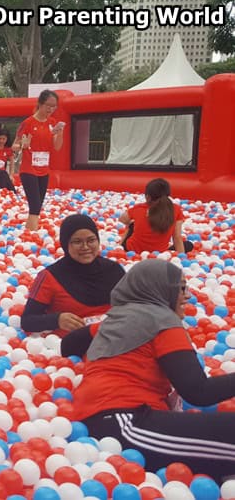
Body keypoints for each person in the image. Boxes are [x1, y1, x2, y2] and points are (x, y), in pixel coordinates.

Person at [64, 258, 235, 483]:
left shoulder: (117, 320)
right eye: (181, 288)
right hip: (125, 425)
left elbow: (69, 343)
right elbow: (197, 391)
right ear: (161, 289)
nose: (187, 296)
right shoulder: (162, 320)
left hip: (95, 426)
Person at [21, 214, 125, 337]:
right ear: (65, 244)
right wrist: (57, 320)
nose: (85, 247)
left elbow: (133, 306)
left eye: (91, 240)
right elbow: (27, 321)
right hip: (71, 343)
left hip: (115, 336)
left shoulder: (113, 270)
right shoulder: (50, 276)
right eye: (77, 242)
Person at [13, 90, 64, 231]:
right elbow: (14, 146)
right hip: (29, 169)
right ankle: (33, 236)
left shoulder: (52, 123)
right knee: (34, 204)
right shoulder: (28, 123)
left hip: (44, 169)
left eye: (54, 106)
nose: (51, 109)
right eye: (48, 106)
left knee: (37, 206)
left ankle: (28, 232)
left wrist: (60, 134)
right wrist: (23, 145)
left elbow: (57, 147)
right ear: (40, 104)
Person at [120, 178, 193, 254]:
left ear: (148, 197)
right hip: (159, 253)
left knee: (132, 223)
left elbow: (122, 219)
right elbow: (177, 237)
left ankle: (120, 247)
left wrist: (133, 223)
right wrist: (181, 257)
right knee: (188, 245)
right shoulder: (176, 209)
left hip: (132, 250)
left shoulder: (139, 209)